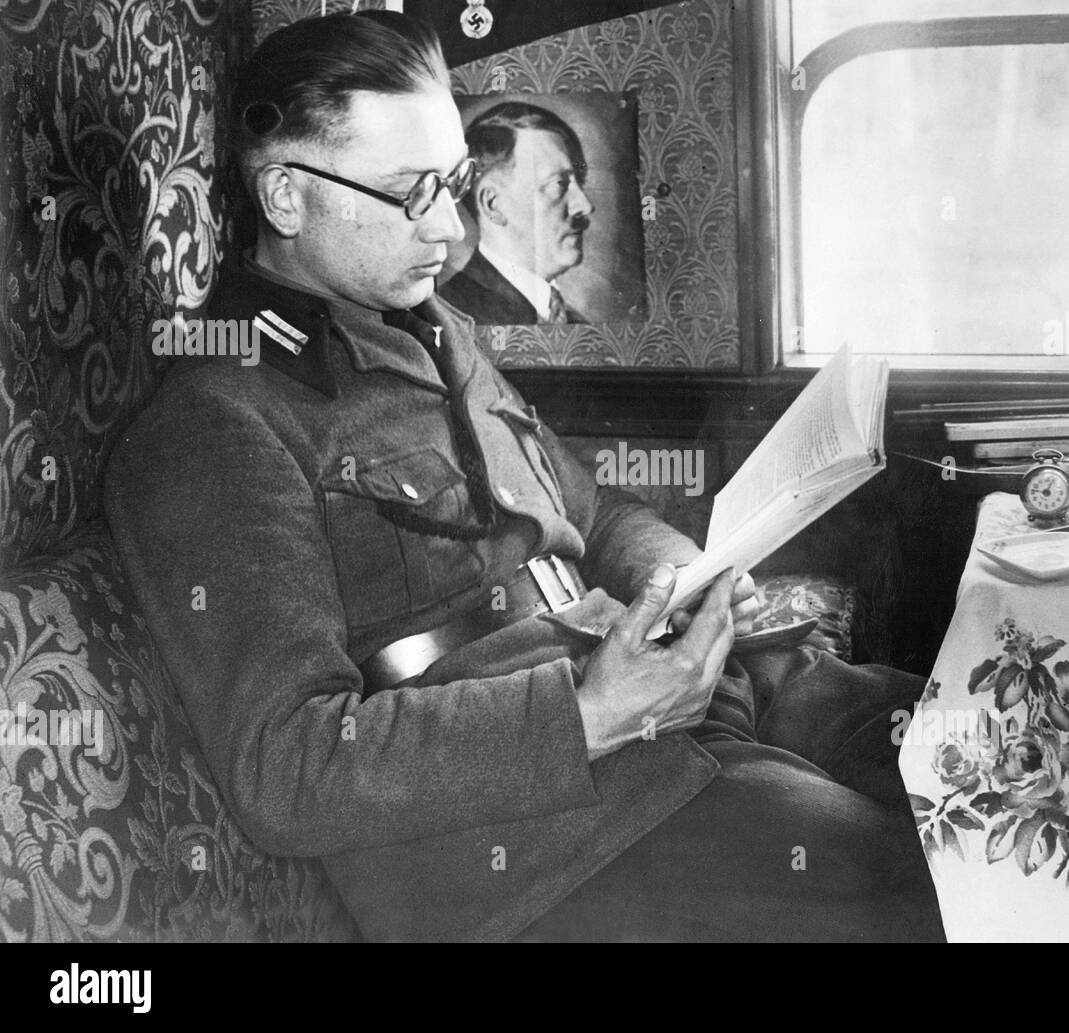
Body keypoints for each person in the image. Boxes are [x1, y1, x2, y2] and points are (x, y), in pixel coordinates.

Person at [104, 10, 943, 942]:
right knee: (922, 885)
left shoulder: (429, 327)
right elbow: (288, 768)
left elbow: (592, 507)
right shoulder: (218, 424)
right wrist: (584, 714)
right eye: (411, 192)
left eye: (456, 183)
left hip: (664, 702)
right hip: (533, 847)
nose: (448, 227)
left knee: (984, 738)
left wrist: (693, 578)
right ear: (288, 196)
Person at [438, 102, 592, 324]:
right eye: (559, 184)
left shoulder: (576, 323)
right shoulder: (452, 315)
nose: (584, 206)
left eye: (580, 182)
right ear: (493, 205)